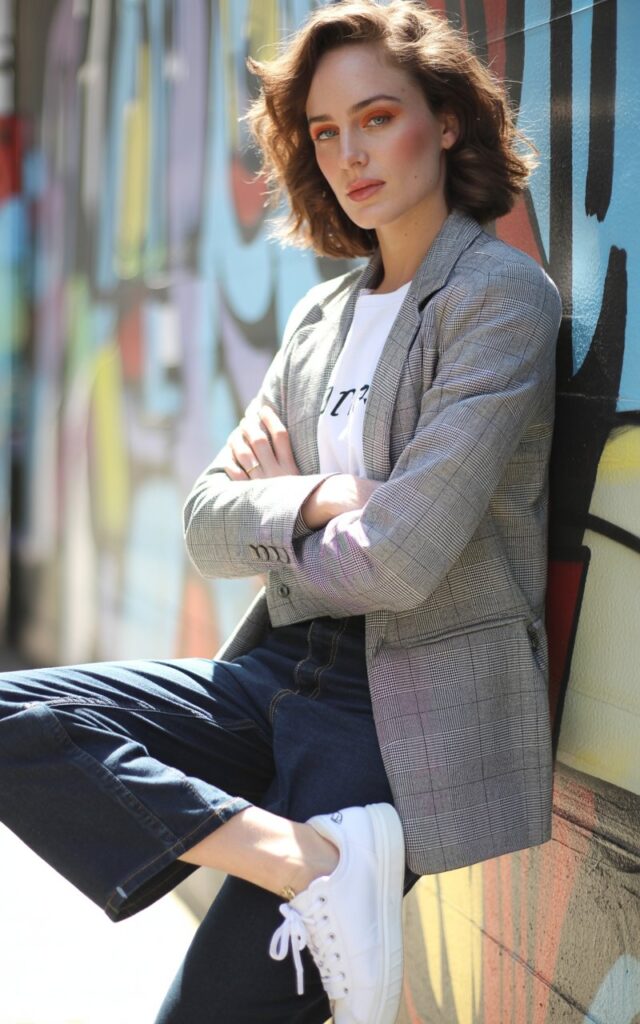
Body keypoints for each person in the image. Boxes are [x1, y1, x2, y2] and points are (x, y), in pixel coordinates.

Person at [0, 1, 562, 1022]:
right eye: (324, 130)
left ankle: (327, 857)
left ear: (443, 119)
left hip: (396, 709)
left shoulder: (498, 299)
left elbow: (398, 564)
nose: (351, 152)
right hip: (278, 672)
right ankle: (303, 860)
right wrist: (320, 496)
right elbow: (205, 520)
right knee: (14, 718)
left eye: (377, 117)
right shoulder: (320, 316)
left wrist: (279, 522)